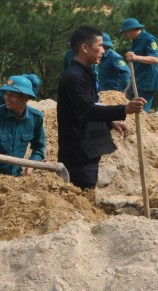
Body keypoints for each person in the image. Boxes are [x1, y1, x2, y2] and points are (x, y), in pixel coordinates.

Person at [57, 26, 145, 189]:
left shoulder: (85, 73)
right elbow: (87, 110)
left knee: (88, 190)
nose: (103, 51)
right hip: (78, 153)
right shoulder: (74, 77)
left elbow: (91, 105)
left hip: (87, 150)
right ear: (85, 47)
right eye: (100, 46)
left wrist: (110, 122)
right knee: (80, 193)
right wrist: (124, 109)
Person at [0, 75, 46, 176]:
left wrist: (31, 166)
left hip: (16, 177)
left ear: (25, 97)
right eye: (6, 93)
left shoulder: (36, 118)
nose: (6, 98)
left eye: (11, 95)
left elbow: (39, 148)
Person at [121, 18, 158, 112]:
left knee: (141, 111)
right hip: (136, 83)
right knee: (134, 111)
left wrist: (136, 57)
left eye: (126, 32)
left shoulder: (148, 39)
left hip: (146, 84)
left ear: (131, 30)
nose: (126, 35)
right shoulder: (134, 42)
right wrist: (128, 87)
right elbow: (135, 68)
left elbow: (154, 59)